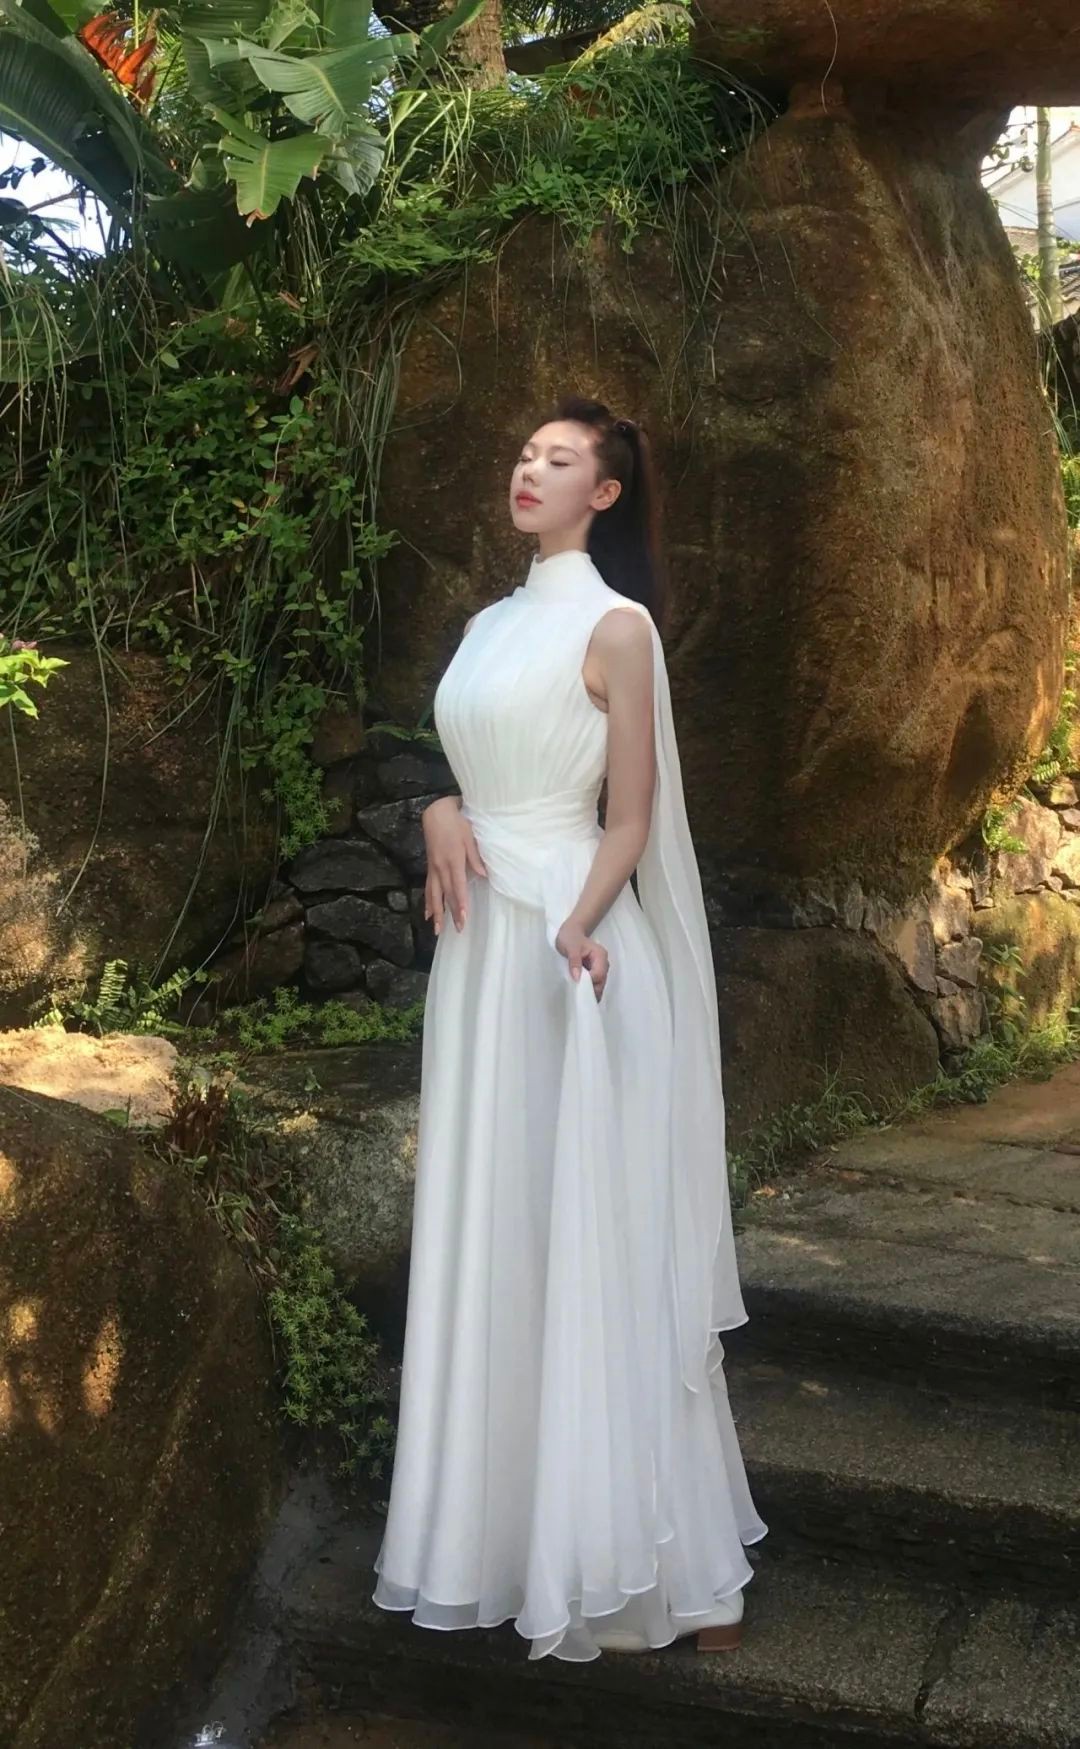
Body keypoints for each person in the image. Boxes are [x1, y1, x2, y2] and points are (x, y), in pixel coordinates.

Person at [370, 393, 767, 1662]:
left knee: (595, 1242)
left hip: (569, 951)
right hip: (480, 956)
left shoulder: (619, 626)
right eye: (523, 453)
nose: (528, 470)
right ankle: (500, 1549)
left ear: (605, 492)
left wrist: (579, 924)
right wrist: (439, 811)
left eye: (558, 459)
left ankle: (667, 1572)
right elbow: (471, 774)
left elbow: (632, 816)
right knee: (500, 1234)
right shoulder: (486, 626)